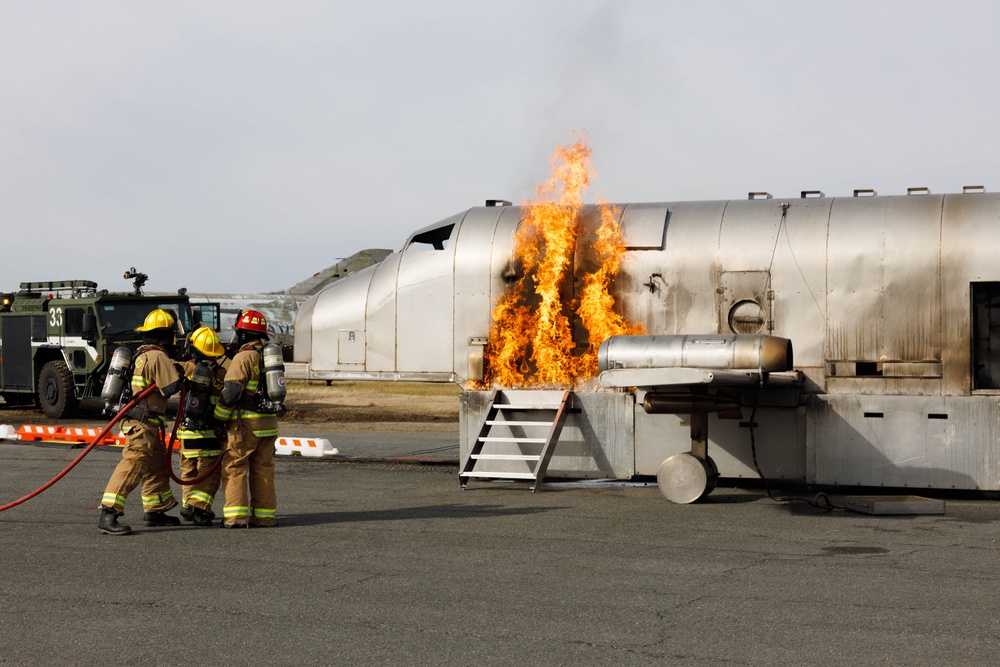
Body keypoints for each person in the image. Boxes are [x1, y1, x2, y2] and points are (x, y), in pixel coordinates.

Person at [98, 309, 183, 535]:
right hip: (143, 424)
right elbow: (171, 387)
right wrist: (182, 371)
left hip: (146, 422)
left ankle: (155, 510)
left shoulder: (141, 354)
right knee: (133, 465)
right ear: (165, 335)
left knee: (155, 466)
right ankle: (109, 512)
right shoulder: (158, 356)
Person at [214, 309, 280, 528]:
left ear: (242, 334)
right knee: (263, 469)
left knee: (235, 467)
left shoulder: (244, 356)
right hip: (268, 425)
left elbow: (231, 392)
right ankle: (264, 517)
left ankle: (236, 518)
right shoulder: (269, 356)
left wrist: (218, 418)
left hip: (246, 426)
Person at [176, 326, 228, 527]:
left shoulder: (188, 368)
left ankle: (193, 508)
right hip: (209, 433)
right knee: (209, 473)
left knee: (188, 472)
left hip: (186, 433)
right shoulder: (222, 373)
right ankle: (195, 507)